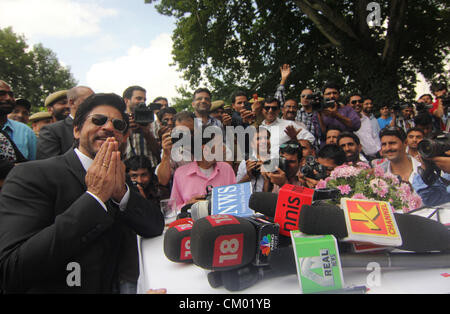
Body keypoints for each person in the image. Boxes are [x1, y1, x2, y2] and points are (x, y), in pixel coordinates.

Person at [0, 93, 165, 293]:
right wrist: (94, 198)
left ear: (125, 137)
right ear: (77, 130)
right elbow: (10, 270)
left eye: (119, 125)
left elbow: (154, 226)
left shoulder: (119, 175)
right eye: (98, 120)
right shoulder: (31, 175)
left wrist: (122, 194)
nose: (109, 127)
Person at [170, 130, 236, 211]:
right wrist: (187, 206)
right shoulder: (181, 174)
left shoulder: (227, 169)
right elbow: (173, 208)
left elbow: (236, 201)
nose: (223, 149)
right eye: (219, 145)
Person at [37, 86, 94, 159]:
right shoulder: (51, 131)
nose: (67, 106)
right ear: (72, 102)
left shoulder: (103, 126)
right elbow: (49, 166)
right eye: (89, 100)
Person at [123, 86, 160, 167]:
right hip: (127, 171)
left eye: (144, 99)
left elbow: (159, 152)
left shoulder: (154, 123)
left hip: (151, 169)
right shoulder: (120, 121)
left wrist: (146, 132)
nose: (142, 102)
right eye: (138, 98)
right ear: (126, 101)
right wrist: (127, 130)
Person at [0, 80, 37, 160]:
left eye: (11, 95)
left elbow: (33, 166)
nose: (8, 98)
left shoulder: (26, 131)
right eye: (2, 94)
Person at [236, 127, 272, 192]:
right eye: (258, 138)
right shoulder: (245, 162)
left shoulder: (276, 161)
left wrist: (268, 176)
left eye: (267, 138)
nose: (264, 141)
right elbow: (236, 187)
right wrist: (248, 176)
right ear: (252, 144)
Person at [354, 97, 381, 161]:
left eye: (371, 104)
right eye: (367, 104)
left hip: (378, 153)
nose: (369, 106)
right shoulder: (356, 121)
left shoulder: (374, 119)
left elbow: (377, 135)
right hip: (365, 156)